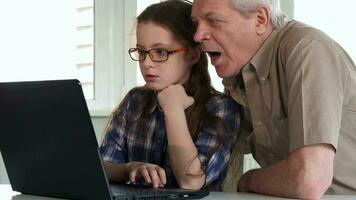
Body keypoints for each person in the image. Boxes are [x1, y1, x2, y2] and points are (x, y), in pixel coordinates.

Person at [191, 0, 356, 198]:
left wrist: (249, 180)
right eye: (196, 23)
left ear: (260, 19)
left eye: (213, 21)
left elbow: (309, 180)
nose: (198, 36)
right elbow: (216, 157)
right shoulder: (239, 73)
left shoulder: (306, 48)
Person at [99, 0, 240, 191]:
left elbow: (191, 181)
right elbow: (101, 168)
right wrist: (129, 168)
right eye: (141, 52)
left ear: (192, 55)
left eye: (160, 52)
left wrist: (173, 109)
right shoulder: (135, 101)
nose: (147, 63)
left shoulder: (221, 108)